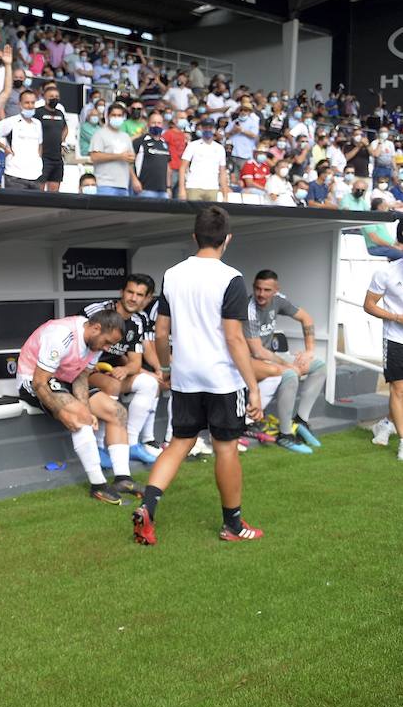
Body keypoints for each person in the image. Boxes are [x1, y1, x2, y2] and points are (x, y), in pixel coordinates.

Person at [133, 206, 264, 546]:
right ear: (227, 239)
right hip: (222, 379)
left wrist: (165, 368)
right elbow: (234, 338)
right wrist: (253, 387)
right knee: (226, 448)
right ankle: (232, 525)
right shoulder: (231, 278)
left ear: (194, 236)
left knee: (179, 443)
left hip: (185, 377)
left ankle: (148, 506)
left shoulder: (172, 274)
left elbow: (161, 333)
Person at [16, 310, 132, 504]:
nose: (108, 347)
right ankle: (98, 485)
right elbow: (39, 382)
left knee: (118, 412)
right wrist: (62, 413)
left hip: (65, 380)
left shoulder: (96, 341)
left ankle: (122, 478)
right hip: (33, 380)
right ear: (96, 328)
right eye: (108, 342)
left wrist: (84, 406)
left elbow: (81, 376)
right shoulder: (61, 334)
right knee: (81, 417)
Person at [80, 275, 163, 468]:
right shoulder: (98, 311)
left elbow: (135, 363)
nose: (133, 298)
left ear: (147, 299)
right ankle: (100, 446)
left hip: (113, 373)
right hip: (85, 371)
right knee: (113, 384)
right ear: (121, 293)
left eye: (139, 295)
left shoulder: (139, 320)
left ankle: (131, 444)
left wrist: (125, 369)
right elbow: (77, 341)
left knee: (149, 383)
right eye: (130, 292)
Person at [243, 269, 325, 452]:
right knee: (289, 373)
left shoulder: (279, 299)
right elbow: (257, 351)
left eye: (266, 290)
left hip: (268, 357)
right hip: (247, 361)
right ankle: (285, 434)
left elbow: (306, 318)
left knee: (319, 366)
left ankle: (301, 420)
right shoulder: (249, 309)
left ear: (275, 289)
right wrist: (286, 364)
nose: (261, 294)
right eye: (257, 288)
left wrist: (309, 351)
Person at [365, 226, 403, 457]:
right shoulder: (386, 274)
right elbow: (369, 305)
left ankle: (385, 424)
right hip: (395, 338)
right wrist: (397, 317)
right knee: (398, 389)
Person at [0, 87, 44, 190]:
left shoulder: (38, 123)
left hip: (35, 176)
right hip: (14, 176)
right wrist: (3, 147)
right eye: (27, 103)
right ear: (20, 104)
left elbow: (40, 144)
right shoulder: (11, 121)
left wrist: (38, 159)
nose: (30, 106)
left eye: (32, 103)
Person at [87, 101, 137, 196]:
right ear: (108, 116)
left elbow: (129, 160)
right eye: (114, 115)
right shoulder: (100, 134)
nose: (116, 117)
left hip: (124, 185)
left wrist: (134, 179)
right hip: (104, 185)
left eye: (119, 115)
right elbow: (94, 157)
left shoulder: (126, 136)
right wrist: (119, 156)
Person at [181, 116, 230, 202]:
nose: (208, 130)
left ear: (214, 129)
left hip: (212, 188)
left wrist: (225, 194)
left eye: (210, 127)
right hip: (194, 186)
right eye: (205, 127)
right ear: (202, 129)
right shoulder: (193, 145)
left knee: (211, 214)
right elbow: (183, 167)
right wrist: (182, 189)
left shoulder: (219, 148)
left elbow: (222, 172)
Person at [133, 110, 174, 198]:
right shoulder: (140, 141)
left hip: (163, 191)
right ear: (148, 124)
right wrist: (134, 180)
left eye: (159, 123)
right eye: (153, 122)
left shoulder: (164, 144)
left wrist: (168, 187)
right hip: (144, 189)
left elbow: (168, 167)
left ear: (162, 125)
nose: (156, 125)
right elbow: (129, 162)